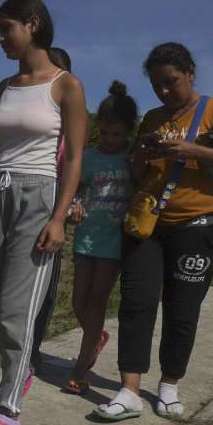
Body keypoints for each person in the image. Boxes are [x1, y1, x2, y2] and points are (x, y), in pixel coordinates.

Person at [95, 42, 213, 422]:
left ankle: (169, 383)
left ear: (190, 73)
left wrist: (192, 150)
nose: (163, 92)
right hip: (149, 221)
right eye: (156, 85)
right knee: (136, 303)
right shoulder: (153, 118)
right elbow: (139, 174)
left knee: (181, 308)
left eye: (171, 82)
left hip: (200, 221)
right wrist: (141, 153)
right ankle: (129, 389)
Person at [0, 0, 87, 425]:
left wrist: (59, 215)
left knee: (17, 307)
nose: (0, 38)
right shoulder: (5, 87)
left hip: (38, 196)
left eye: (6, 29)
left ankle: (9, 412)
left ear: (32, 24)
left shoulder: (66, 86)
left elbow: (74, 156)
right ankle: (20, 373)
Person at [0, 45, 74, 374]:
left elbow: (78, 170)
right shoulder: (23, 123)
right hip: (5, 200)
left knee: (39, 292)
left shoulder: (65, 135)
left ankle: (27, 353)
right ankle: (7, 345)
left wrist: (64, 211)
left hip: (49, 210)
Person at [64, 81, 137, 395]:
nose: (110, 140)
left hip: (114, 242)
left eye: (117, 135)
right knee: (78, 301)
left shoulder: (133, 159)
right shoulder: (88, 157)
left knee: (97, 302)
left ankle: (81, 369)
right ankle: (96, 338)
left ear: (128, 132)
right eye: (105, 133)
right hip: (86, 237)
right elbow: (75, 189)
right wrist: (74, 204)